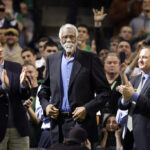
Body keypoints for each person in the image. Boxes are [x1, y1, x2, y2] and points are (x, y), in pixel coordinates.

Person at [38, 23, 110, 146]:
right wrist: (46, 106)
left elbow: (105, 92)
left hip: (82, 123)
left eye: (72, 37)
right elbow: (44, 89)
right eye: (65, 37)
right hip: (57, 123)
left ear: (77, 39)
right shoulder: (52, 60)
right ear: (60, 40)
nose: (69, 40)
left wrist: (87, 108)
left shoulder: (91, 59)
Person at [117, 45, 150, 150]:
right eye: (139, 57)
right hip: (129, 133)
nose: (140, 60)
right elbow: (121, 105)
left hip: (146, 134)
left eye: (144, 57)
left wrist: (134, 95)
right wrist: (125, 99)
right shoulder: (135, 79)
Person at [0, 43, 31, 150]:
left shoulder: (16, 67)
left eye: (0, 46)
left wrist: (23, 84)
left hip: (19, 128)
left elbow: (25, 95)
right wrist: (4, 87)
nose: (0, 49)